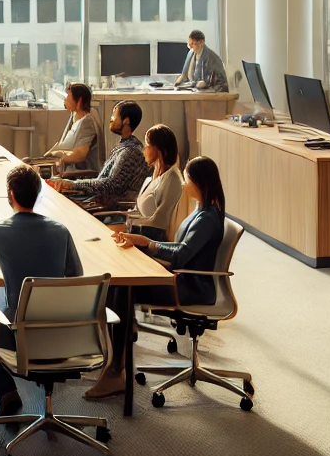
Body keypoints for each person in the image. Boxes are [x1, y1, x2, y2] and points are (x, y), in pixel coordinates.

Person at [88, 155, 227, 398]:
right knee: (118, 285)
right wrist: (143, 243)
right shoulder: (201, 211)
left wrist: (150, 245)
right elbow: (182, 248)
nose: (185, 184)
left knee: (123, 287)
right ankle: (117, 349)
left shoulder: (207, 219)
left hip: (190, 287)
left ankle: (116, 368)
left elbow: (182, 256)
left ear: (198, 182)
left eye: (187, 179)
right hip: (182, 279)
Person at [0, 164, 83, 416]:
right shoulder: (61, 231)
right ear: (38, 193)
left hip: (22, 337)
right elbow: (76, 278)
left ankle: (8, 394)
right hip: (62, 336)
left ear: (10, 195)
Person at [56, 100, 147, 207]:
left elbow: (110, 185)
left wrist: (73, 185)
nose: (111, 119)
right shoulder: (124, 146)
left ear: (126, 121)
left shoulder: (130, 152)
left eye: (114, 116)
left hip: (109, 210)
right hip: (99, 201)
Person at [122, 125, 183, 242]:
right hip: (137, 234)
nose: (144, 150)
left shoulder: (171, 179)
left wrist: (128, 227)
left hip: (150, 242)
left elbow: (159, 223)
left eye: (147, 145)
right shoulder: (152, 177)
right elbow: (137, 211)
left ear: (159, 150)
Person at [40, 82, 99, 172]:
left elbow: (80, 154)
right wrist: (47, 157)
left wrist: (59, 155)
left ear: (79, 101)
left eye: (68, 97)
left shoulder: (86, 123)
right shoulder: (73, 116)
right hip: (60, 167)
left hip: (74, 172)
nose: (65, 100)